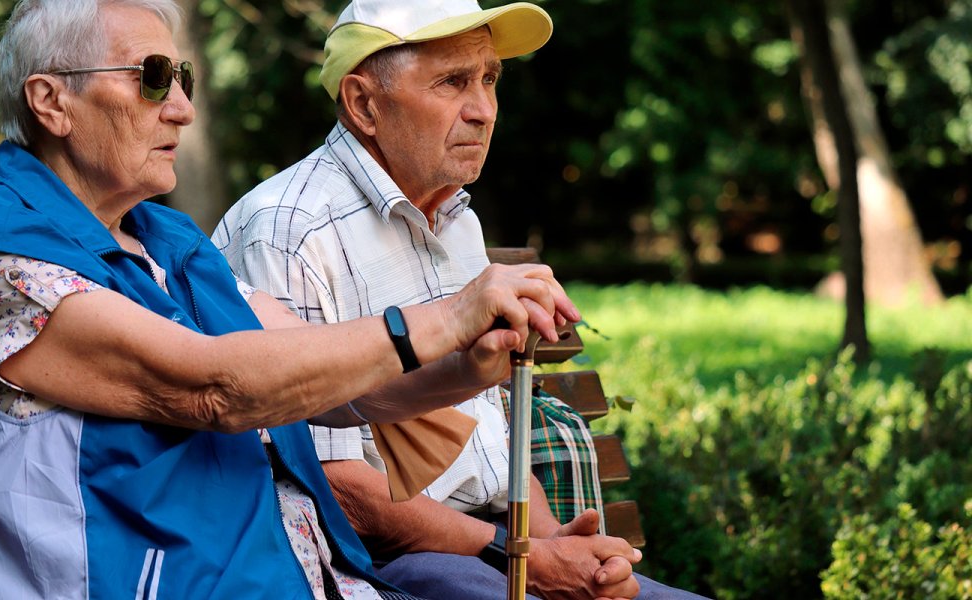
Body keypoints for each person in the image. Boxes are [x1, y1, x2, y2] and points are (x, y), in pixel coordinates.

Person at [0, 0, 582, 598]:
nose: (183, 108)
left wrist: (467, 367)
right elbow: (213, 389)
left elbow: (328, 382)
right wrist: (447, 317)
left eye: (182, 78)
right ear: (50, 102)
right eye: (151, 78)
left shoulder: (163, 241)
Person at [212, 1, 710, 599]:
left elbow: (491, 439)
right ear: (364, 104)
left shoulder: (455, 218)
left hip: (493, 545)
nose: (483, 110)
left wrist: (554, 541)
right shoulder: (288, 230)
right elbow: (335, 487)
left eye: (489, 79)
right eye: (452, 82)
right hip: (381, 562)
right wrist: (524, 558)